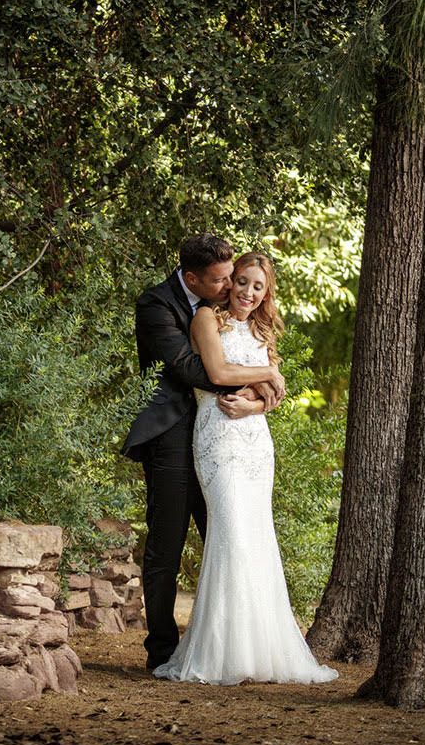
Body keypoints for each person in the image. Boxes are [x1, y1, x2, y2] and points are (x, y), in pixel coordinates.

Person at [152, 251, 338, 685]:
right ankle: (219, 653)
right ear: (229, 282)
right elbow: (216, 371)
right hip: (217, 437)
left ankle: (259, 651)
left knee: (256, 537)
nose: (248, 293)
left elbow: (271, 400)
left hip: (255, 442)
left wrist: (255, 400)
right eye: (242, 283)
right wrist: (268, 373)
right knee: (230, 533)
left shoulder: (263, 330)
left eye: (258, 286)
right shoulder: (205, 320)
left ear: (266, 292)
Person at [122, 235, 286, 671]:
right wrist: (265, 376)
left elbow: (265, 383)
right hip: (174, 434)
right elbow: (194, 370)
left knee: (232, 537)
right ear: (192, 278)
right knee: (168, 542)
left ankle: (235, 644)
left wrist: (257, 400)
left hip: (229, 439)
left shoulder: (235, 313)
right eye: (221, 280)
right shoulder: (157, 306)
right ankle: (162, 650)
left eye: (233, 276)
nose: (230, 285)